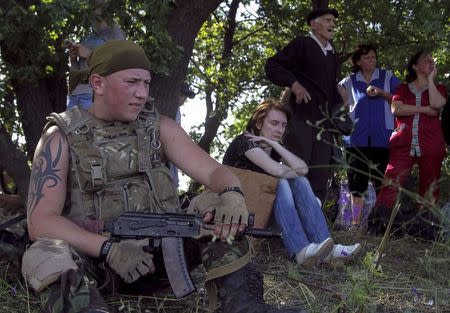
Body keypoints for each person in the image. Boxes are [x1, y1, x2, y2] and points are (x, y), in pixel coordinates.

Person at [22, 40, 304, 313]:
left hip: (163, 257)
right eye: (131, 82)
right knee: (45, 252)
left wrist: (232, 193)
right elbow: (41, 221)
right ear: (98, 83)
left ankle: (246, 306)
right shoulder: (60, 136)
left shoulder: (159, 128)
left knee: (214, 208)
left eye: (145, 83)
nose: (142, 93)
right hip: (94, 262)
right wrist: (109, 249)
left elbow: (214, 171)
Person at [223, 99, 361, 267]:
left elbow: (303, 170)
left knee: (300, 181)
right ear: (259, 123)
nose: (279, 129)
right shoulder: (245, 141)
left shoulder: (272, 147)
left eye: (283, 125)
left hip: (263, 203)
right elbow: (278, 171)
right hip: (240, 206)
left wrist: (276, 145)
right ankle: (300, 250)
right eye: (274, 123)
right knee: (281, 183)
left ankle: (326, 246)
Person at [265, 8, 342, 202]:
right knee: (296, 171)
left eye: (334, 20)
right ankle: (287, 221)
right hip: (300, 119)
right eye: (328, 20)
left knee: (320, 176)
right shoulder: (302, 43)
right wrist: (294, 83)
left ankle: (314, 224)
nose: (332, 24)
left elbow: (329, 90)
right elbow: (272, 66)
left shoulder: (332, 55)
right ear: (313, 24)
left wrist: (341, 99)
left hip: (324, 126)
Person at [368, 50, 448, 235]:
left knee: (430, 187)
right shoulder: (403, 88)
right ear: (415, 66)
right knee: (391, 182)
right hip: (403, 143)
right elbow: (397, 108)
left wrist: (430, 81)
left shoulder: (439, 88)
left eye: (432, 61)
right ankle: (379, 228)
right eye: (426, 60)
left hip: (431, 144)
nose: (431, 63)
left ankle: (425, 231)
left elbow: (437, 105)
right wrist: (423, 109)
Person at [337, 44, 400, 228]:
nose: (371, 60)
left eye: (373, 57)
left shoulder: (387, 77)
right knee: (357, 187)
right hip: (356, 141)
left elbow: (401, 98)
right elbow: (338, 100)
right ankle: (356, 225)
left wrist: (381, 93)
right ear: (358, 61)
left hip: (384, 140)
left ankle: (381, 225)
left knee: (382, 185)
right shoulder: (348, 81)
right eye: (366, 57)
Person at [67, 0, 125, 109]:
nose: (95, 19)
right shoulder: (88, 37)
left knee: (90, 126)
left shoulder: (115, 33)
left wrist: (89, 54)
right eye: (93, 14)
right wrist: (73, 58)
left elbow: (120, 62)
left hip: (92, 94)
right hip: (75, 94)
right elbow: (77, 69)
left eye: (99, 16)